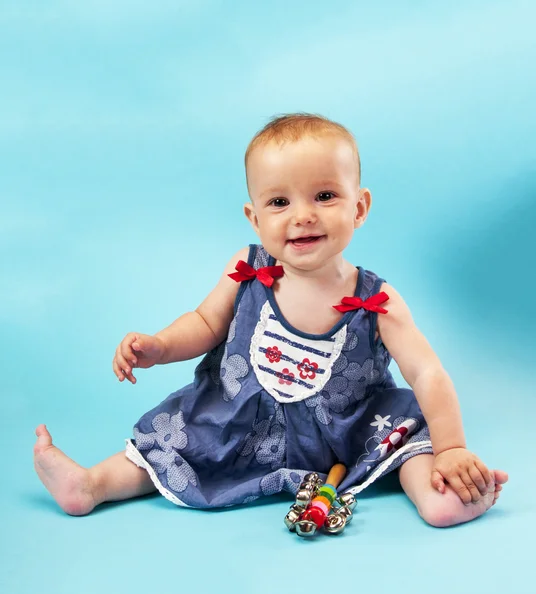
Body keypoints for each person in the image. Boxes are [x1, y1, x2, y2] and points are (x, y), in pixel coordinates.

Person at [34, 113, 508, 527]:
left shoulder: (376, 299)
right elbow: (204, 322)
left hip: (346, 429)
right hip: (243, 423)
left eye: (324, 195)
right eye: (279, 203)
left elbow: (426, 371)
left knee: (406, 432)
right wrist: (160, 347)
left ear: (359, 207)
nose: (302, 216)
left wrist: (451, 446)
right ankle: (92, 485)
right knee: (179, 441)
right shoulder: (249, 270)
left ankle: (440, 494)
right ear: (254, 217)